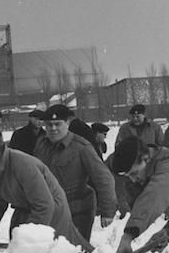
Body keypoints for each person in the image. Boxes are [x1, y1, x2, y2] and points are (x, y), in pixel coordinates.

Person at [34, 104, 116, 242]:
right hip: (50, 209)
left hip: (78, 210)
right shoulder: (41, 144)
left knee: (73, 252)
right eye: (49, 125)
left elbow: (104, 178)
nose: (53, 128)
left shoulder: (82, 147)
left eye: (57, 124)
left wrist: (107, 211)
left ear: (67, 123)